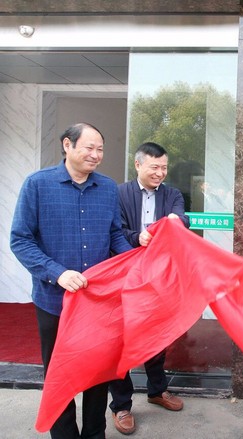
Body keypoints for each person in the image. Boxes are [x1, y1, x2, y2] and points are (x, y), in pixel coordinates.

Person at [10, 123, 135, 439]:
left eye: (100, 149)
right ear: (68, 145)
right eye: (89, 148)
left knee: (98, 372)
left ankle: (95, 433)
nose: (96, 155)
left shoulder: (108, 188)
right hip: (54, 300)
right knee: (59, 374)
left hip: (98, 302)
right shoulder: (38, 185)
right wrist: (58, 273)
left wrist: (135, 263)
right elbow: (20, 240)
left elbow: (114, 235)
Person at [108, 142, 190, 435]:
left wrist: (176, 221)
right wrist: (136, 237)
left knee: (157, 335)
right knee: (121, 340)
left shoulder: (172, 194)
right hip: (126, 276)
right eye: (154, 167)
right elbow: (114, 230)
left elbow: (182, 219)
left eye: (164, 168)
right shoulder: (118, 193)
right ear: (138, 165)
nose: (160, 173)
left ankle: (157, 390)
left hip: (160, 276)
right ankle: (121, 405)